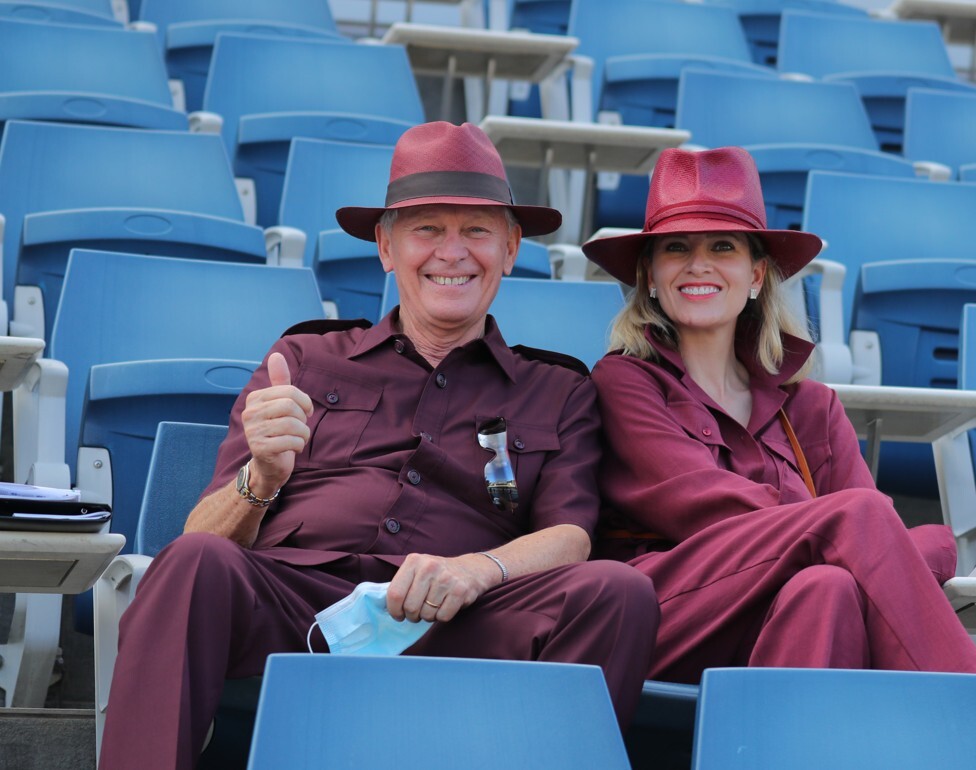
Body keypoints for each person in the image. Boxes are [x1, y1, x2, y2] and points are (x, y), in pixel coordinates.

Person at [99, 122, 659, 770]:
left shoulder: (557, 387)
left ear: (510, 249)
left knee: (617, 592)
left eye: (476, 231)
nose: (453, 252)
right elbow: (204, 533)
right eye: (427, 229)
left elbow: (569, 538)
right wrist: (263, 475)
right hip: (298, 602)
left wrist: (474, 570)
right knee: (195, 561)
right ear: (386, 247)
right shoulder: (304, 357)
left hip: (458, 617)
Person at [584, 146, 976, 684]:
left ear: (756, 276)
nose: (698, 264)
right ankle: (969, 709)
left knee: (829, 585)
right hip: (670, 615)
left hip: (782, 615)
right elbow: (706, 508)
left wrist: (872, 540)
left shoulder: (812, 406)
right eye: (676, 248)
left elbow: (868, 535)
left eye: (723, 247)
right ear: (650, 277)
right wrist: (864, 534)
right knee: (865, 526)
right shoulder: (624, 381)